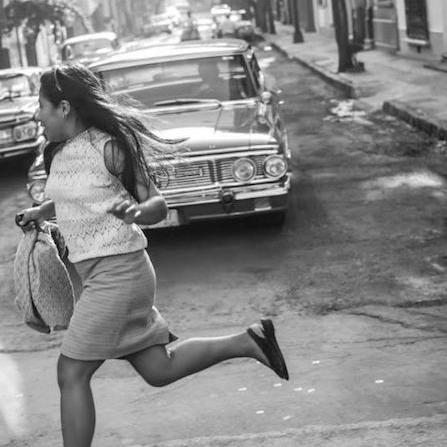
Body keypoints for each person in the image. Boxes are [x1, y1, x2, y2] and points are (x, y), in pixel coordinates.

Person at [17, 63, 289, 447]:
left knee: (71, 372)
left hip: (119, 275)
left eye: (41, 105)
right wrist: (41, 211)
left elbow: (157, 205)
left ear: (64, 108)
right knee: (160, 369)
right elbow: (70, 196)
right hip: (99, 277)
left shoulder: (109, 148)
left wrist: (136, 212)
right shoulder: (58, 151)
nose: (37, 114)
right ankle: (249, 341)